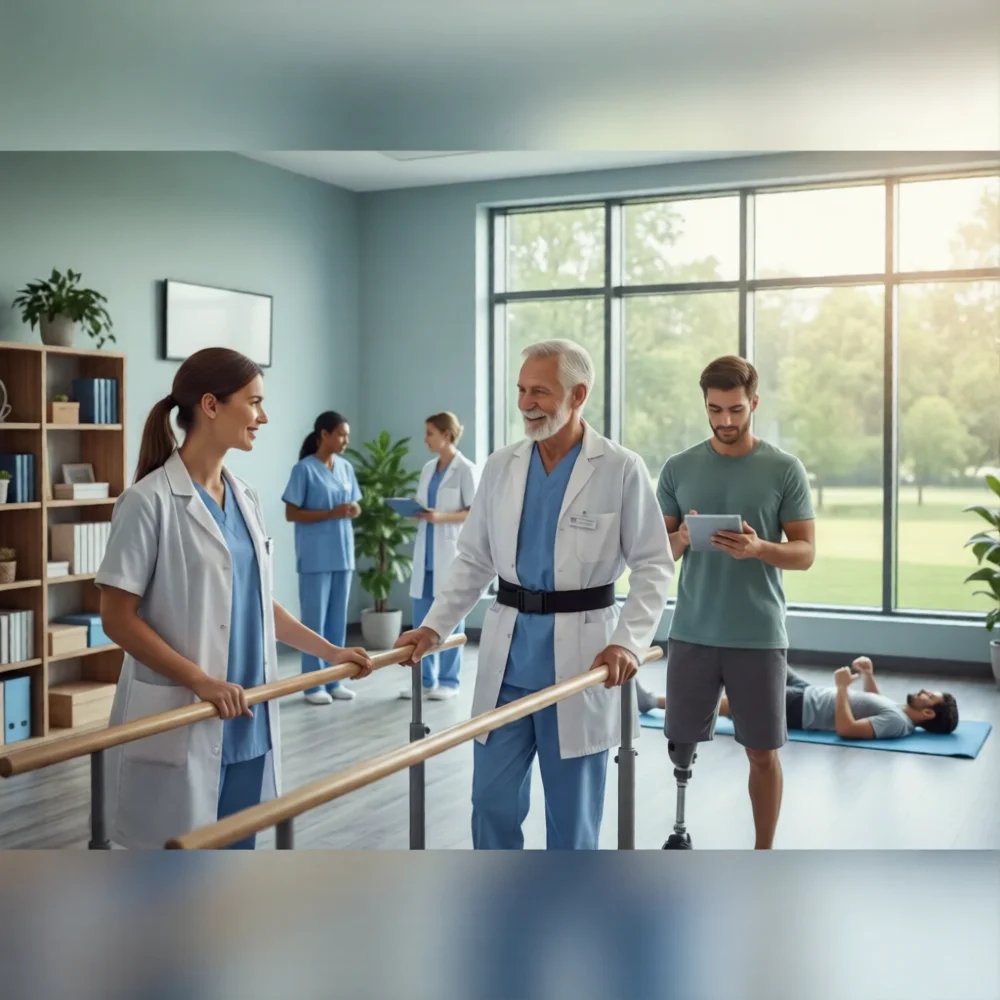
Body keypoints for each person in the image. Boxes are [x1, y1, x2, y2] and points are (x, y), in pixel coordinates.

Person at [395, 339, 673, 850]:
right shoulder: (502, 465)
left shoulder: (620, 467)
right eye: (522, 390)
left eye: (540, 392)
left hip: (581, 662)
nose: (527, 403)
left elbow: (654, 565)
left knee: (572, 820)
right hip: (509, 660)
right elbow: (474, 558)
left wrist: (627, 643)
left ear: (578, 394)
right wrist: (435, 626)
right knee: (491, 803)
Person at [97, 348, 373, 850]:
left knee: (235, 857)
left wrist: (330, 652)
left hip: (248, 715)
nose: (263, 417)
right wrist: (200, 680)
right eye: (254, 403)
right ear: (210, 405)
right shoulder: (147, 502)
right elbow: (116, 617)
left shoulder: (244, 496)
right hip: (187, 711)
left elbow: (259, 601)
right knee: (174, 874)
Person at [657, 355, 815, 850]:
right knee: (680, 743)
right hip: (692, 632)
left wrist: (760, 548)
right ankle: (679, 827)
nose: (725, 421)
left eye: (736, 410)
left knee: (762, 753)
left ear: (755, 404)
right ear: (704, 404)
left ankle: (762, 854)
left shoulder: (784, 469)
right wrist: (681, 538)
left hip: (757, 635)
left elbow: (806, 553)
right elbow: (656, 556)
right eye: (715, 409)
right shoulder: (677, 469)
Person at [640, 658, 960, 739]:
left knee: (734, 707)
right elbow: (874, 702)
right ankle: (731, 666)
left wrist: (844, 688)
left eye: (929, 696)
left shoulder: (896, 724)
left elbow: (847, 729)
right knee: (772, 658)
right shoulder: (899, 713)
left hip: (800, 710)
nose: (923, 692)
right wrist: (868, 675)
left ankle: (653, 701)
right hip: (809, 692)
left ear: (929, 714)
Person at [282, 411, 363, 705]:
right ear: (324, 435)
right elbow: (291, 513)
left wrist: (353, 510)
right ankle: (313, 685)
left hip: (343, 555)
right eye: (340, 434)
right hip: (316, 558)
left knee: (336, 621)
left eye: (347, 435)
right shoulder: (303, 470)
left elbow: (352, 503)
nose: (345, 441)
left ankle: (334, 679)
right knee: (313, 623)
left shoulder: (345, 468)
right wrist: (332, 513)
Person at [399, 411, 479, 700]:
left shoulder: (466, 469)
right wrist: (416, 511)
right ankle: (424, 679)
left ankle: (449, 680)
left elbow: (474, 511)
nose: (426, 439)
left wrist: (441, 516)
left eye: (430, 433)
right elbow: (425, 505)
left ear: (446, 434)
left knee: (450, 617)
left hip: (450, 551)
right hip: (427, 554)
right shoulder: (428, 468)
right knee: (422, 620)